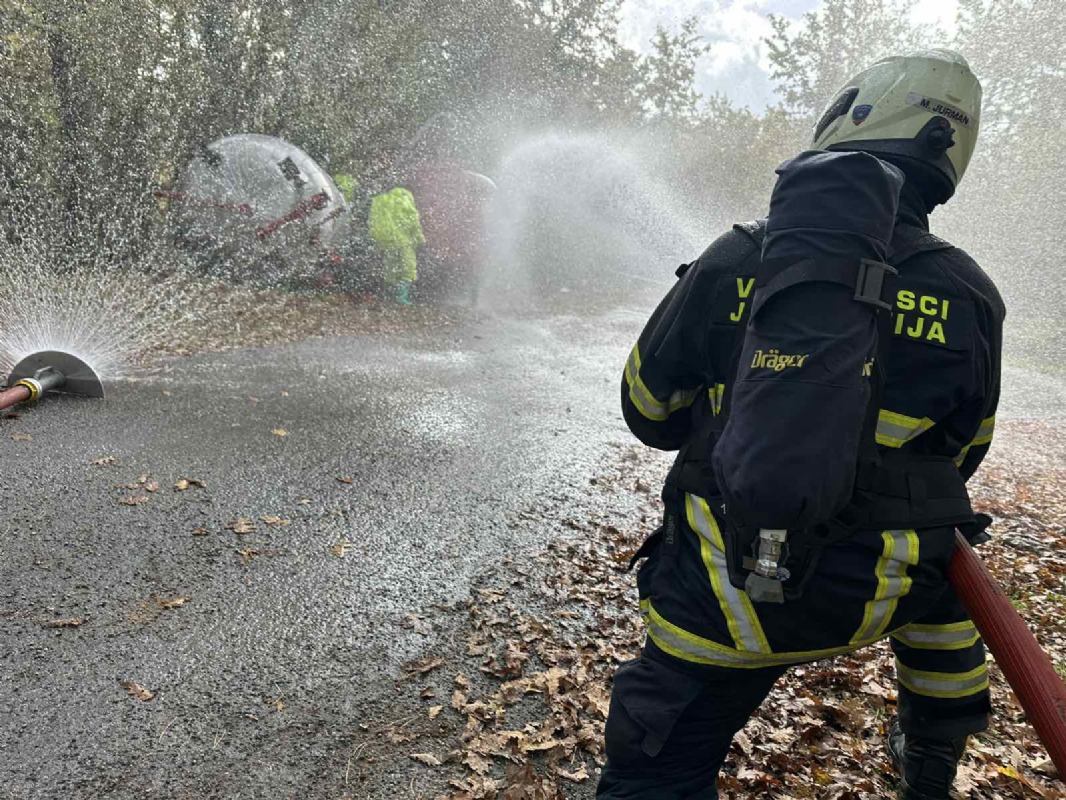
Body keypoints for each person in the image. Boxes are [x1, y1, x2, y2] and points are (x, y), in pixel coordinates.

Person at [599, 49, 1003, 800]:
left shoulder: (738, 258)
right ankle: (932, 756)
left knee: (653, 769)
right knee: (948, 568)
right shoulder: (969, 293)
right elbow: (962, 456)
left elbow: (646, 410)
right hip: (877, 596)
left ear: (849, 116)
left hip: (725, 606)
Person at [368, 185, 425, 305]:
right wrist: (419, 239)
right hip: (405, 243)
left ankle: (389, 296)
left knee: (391, 269)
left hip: (388, 243)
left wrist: (379, 242)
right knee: (407, 270)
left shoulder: (383, 201)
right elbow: (413, 222)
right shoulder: (405, 200)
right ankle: (401, 297)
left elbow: (374, 223)